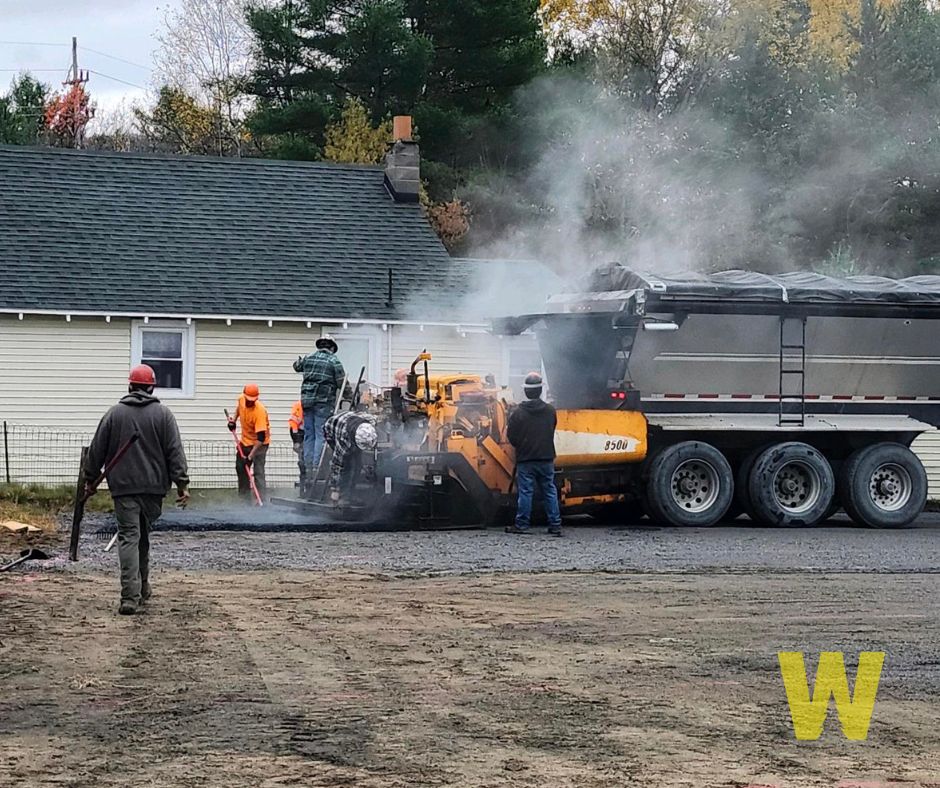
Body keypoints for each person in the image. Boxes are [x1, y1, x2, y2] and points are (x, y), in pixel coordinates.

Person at [84, 364, 190, 615]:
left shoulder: (114, 414)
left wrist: (90, 478)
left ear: (130, 386)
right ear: (151, 387)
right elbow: (175, 452)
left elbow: (96, 450)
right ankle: (142, 588)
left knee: (129, 536)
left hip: (124, 488)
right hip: (153, 489)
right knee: (141, 535)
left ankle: (130, 597)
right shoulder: (164, 415)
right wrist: (182, 484)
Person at [506, 372, 563, 537]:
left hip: (526, 459)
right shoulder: (550, 411)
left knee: (526, 492)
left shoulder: (518, 413)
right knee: (550, 491)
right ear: (540, 390)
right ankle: (555, 525)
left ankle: (522, 525)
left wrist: (522, 446)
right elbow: (551, 429)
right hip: (546, 458)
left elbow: (512, 436)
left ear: (526, 391)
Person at [293, 334, 346, 487]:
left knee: (309, 435)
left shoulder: (309, 358)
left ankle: (308, 467)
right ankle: (317, 467)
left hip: (307, 403)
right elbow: (342, 382)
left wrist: (302, 360)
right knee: (321, 436)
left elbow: (296, 366)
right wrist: (350, 396)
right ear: (331, 347)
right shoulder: (333, 361)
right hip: (323, 403)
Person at [322, 410, 378, 504]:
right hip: (332, 429)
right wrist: (334, 488)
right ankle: (343, 495)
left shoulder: (370, 422)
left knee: (357, 465)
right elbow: (337, 465)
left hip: (350, 419)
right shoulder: (344, 441)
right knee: (346, 465)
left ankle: (351, 493)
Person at [228, 382, 270, 502]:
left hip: (260, 445)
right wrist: (233, 421)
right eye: (248, 399)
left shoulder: (259, 411)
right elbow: (239, 408)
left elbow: (261, 438)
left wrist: (250, 456)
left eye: (253, 400)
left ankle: (261, 500)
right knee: (241, 467)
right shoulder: (241, 399)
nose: (250, 402)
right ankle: (244, 500)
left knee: (258, 472)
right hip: (245, 441)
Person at [288, 399, 305, 486]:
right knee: (302, 462)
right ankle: (303, 485)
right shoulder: (299, 406)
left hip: (308, 434)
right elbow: (293, 425)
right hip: (302, 435)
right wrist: (296, 441)